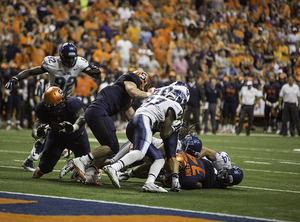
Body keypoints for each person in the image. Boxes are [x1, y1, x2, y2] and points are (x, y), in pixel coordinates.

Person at [5, 42, 101, 171]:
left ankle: (63, 156)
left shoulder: (80, 63)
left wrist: (97, 72)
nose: (71, 60)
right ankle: (34, 158)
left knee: (68, 129)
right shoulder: (52, 63)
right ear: (61, 56)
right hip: (52, 101)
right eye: (68, 57)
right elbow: (31, 71)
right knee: (47, 130)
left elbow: (96, 75)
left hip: (66, 101)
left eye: (73, 57)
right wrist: (16, 77)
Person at [69, 70, 153, 184]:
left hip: (96, 111)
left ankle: (90, 173)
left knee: (109, 148)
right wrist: (150, 94)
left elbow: (133, 118)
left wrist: (146, 126)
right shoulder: (131, 79)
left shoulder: (128, 99)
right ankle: (81, 160)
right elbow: (134, 92)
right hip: (98, 110)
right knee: (113, 147)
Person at [103, 87, 188, 193]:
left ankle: (149, 183)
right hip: (143, 121)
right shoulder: (175, 107)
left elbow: (170, 152)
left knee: (159, 159)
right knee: (140, 152)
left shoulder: (158, 100)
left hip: (135, 123)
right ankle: (114, 167)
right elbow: (164, 134)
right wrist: (174, 128)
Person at [30, 87, 97, 184]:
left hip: (77, 136)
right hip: (56, 137)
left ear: (63, 100)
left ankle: (82, 166)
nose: (53, 109)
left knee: (88, 164)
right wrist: (38, 134)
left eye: (55, 106)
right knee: (45, 166)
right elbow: (35, 128)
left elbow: (82, 118)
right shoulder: (42, 107)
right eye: (50, 107)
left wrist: (73, 127)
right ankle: (42, 169)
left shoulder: (72, 103)